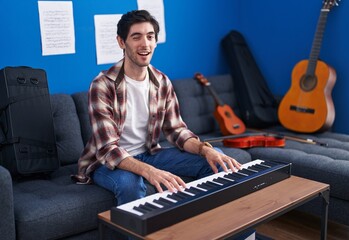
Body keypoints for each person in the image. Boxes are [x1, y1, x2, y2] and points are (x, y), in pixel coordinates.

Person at [72, 10, 241, 205]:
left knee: (217, 159)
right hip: (107, 162)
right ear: (121, 42)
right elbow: (108, 149)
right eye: (136, 37)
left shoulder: (161, 81)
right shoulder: (103, 84)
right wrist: (149, 171)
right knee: (130, 185)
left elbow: (176, 131)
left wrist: (205, 149)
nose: (145, 44)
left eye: (150, 37)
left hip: (149, 153)